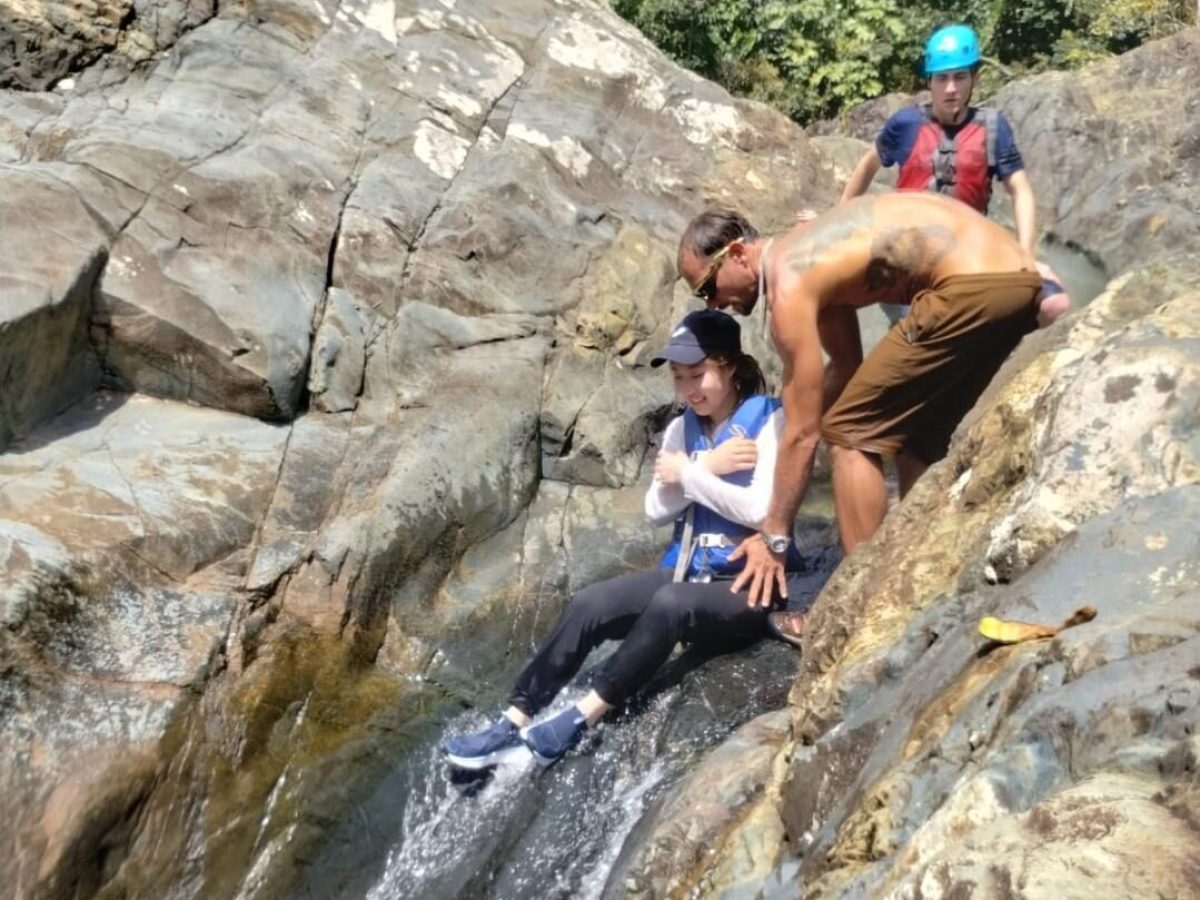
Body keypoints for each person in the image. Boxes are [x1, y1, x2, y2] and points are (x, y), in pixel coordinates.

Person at [441, 310, 807, 770]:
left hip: (748, 590)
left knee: (672, 602)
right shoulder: (680, 429)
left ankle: (582, 717)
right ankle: (514, 718)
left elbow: (760, 510)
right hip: (687, 570)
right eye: (679, 378)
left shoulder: (770, 421)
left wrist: (689, 474)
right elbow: (656, 509)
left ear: (730, 366)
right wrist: (707, 468)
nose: (689, 389)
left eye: (699, 375)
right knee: (590, 603)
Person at [675, 193, 1046, 622]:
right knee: (916, 440)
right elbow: (846, 368)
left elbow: (808, 432)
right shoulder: (807, 252)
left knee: (849, 436)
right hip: (1018, 279)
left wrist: (775, 535)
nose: (713, 304)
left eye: (707, 287)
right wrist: (778, 429)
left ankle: (858, 611)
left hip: (970, 286)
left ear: (738, 254)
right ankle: (915, 580)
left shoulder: (788, 283)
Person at [840, 24, 1037, 255]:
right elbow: (867, 165)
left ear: (975, 79)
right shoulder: (906, 123)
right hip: (907, 247)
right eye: (942, 78)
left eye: (960, 77)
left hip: (966, 249)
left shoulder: (993, 127)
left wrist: (1026, 254)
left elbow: (1020, 189)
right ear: (929, 82)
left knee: (1048, 289)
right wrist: (839, 217)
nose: (950, 88)